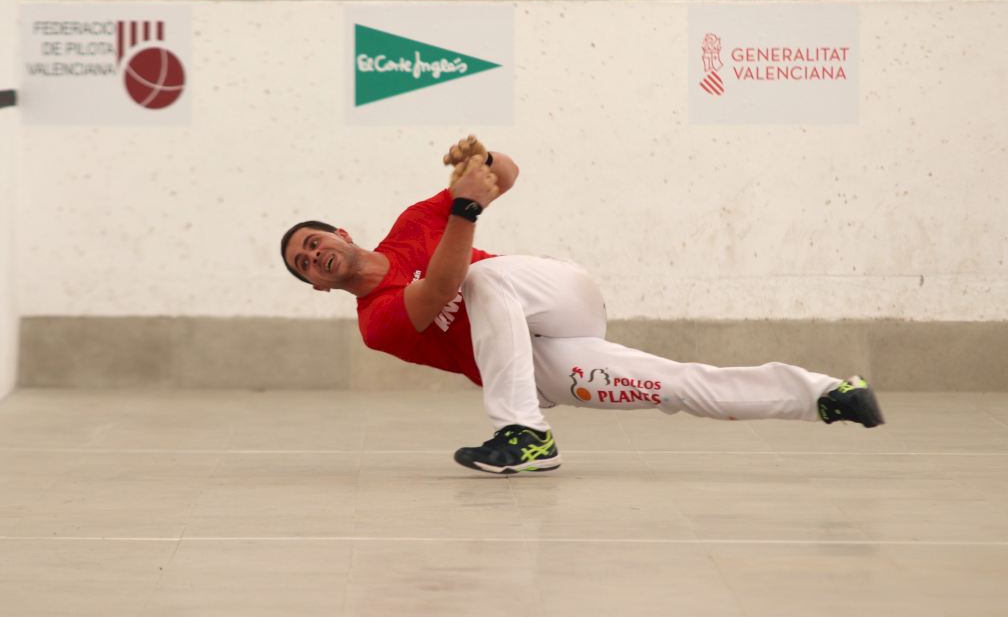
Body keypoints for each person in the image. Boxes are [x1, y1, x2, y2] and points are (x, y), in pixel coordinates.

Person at [279, 137, 885, 475]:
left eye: (313, 242)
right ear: (317, 287)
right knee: (674, 386)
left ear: (341, 233)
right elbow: (437, 291)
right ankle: (827, 396)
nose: (314, 256)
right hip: (536, 368)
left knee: (483, 278)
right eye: (304, 263)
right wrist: (466, 206)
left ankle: (522, 434)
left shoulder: (413, 223)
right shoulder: (375, 323)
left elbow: (507, 173)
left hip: (556, 300)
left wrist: (481, 163)